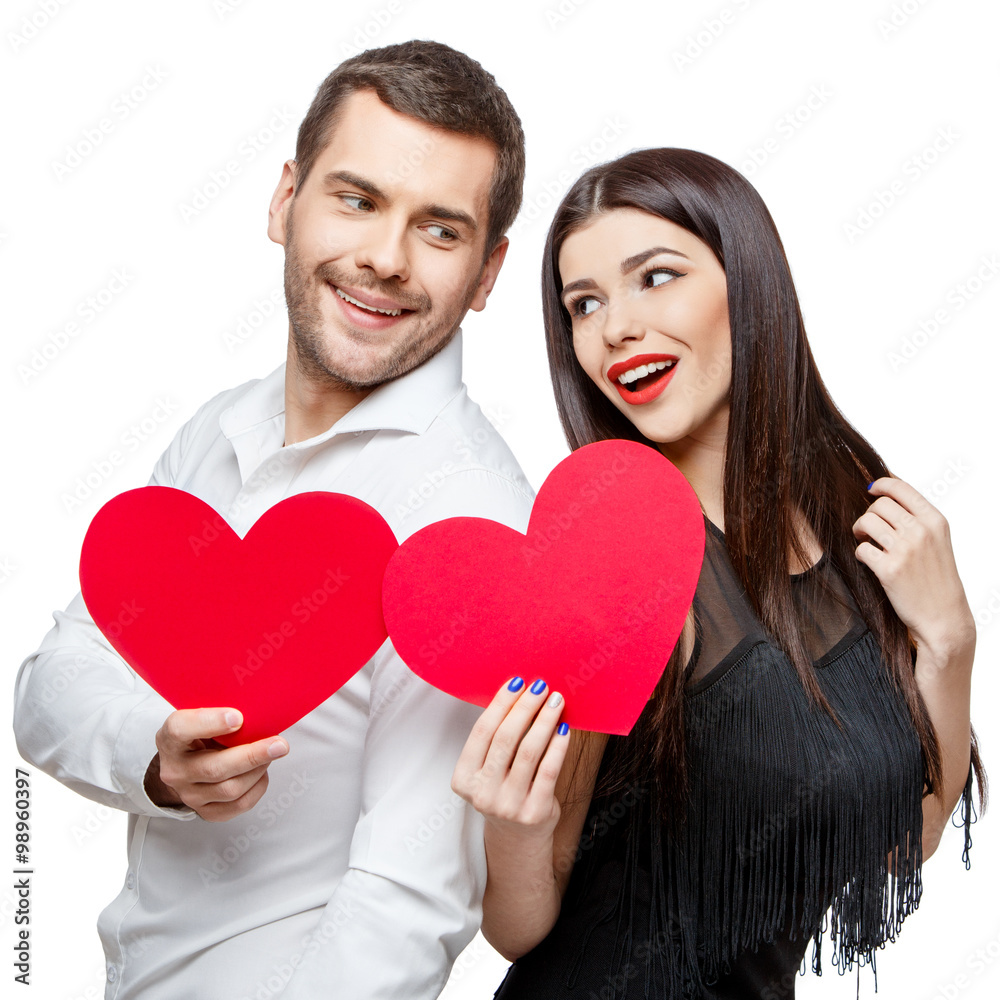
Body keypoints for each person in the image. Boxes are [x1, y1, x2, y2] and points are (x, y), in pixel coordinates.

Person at [13, 40, 534, 1000]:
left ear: (489, 271)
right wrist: (158, 761)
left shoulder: (475, 526)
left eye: (441, 229)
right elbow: (49, 687)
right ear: (284, 198)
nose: (384, 258)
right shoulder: (220, 427)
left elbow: (408, 901)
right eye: (357, 198)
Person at [451, 147, 986, 998]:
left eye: (654, 277)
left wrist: (951, 647)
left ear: (749, 278)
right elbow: (521, 927)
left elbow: (902, 839)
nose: (613, 326)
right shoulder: (613, 555)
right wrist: (512, 825)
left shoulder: (862, 524)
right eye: (582, 304)